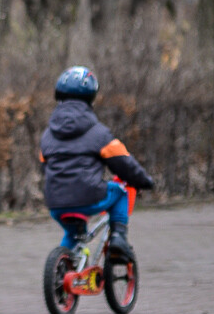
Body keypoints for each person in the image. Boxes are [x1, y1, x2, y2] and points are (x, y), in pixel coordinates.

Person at [39, 66, 154, 257]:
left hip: (55, 202)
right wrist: (144, 181)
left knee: (72, 233)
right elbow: (124, 163)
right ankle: (119, 237)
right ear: (91, 98)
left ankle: (63, 269)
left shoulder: (47, 135)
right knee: (120, 192)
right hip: (88, 197)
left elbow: (45, 166)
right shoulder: (98, 133)